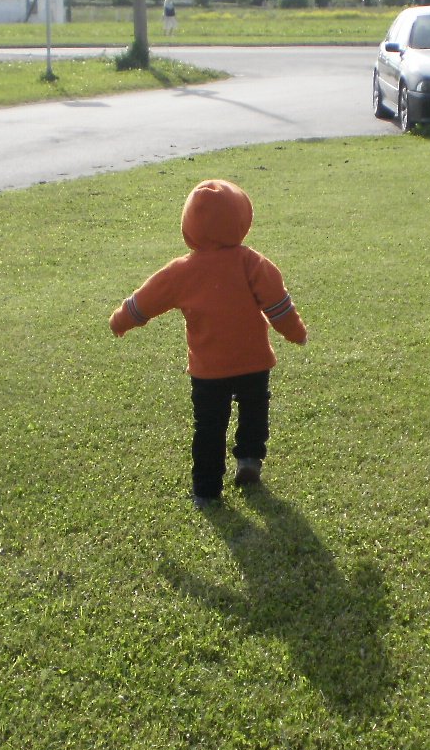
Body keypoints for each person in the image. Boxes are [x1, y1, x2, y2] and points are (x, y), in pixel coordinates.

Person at [109, 179, 307, 506]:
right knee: (254, 409)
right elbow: (278, 306)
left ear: (189, 226)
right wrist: (296, 333)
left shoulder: (181, 271)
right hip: (253, 360)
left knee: (209, 427)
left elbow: (145, 300)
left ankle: (206, 489)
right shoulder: (253, 263)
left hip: (208, 370)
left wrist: (121, 319)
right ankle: (249, 459)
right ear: (242, 219)